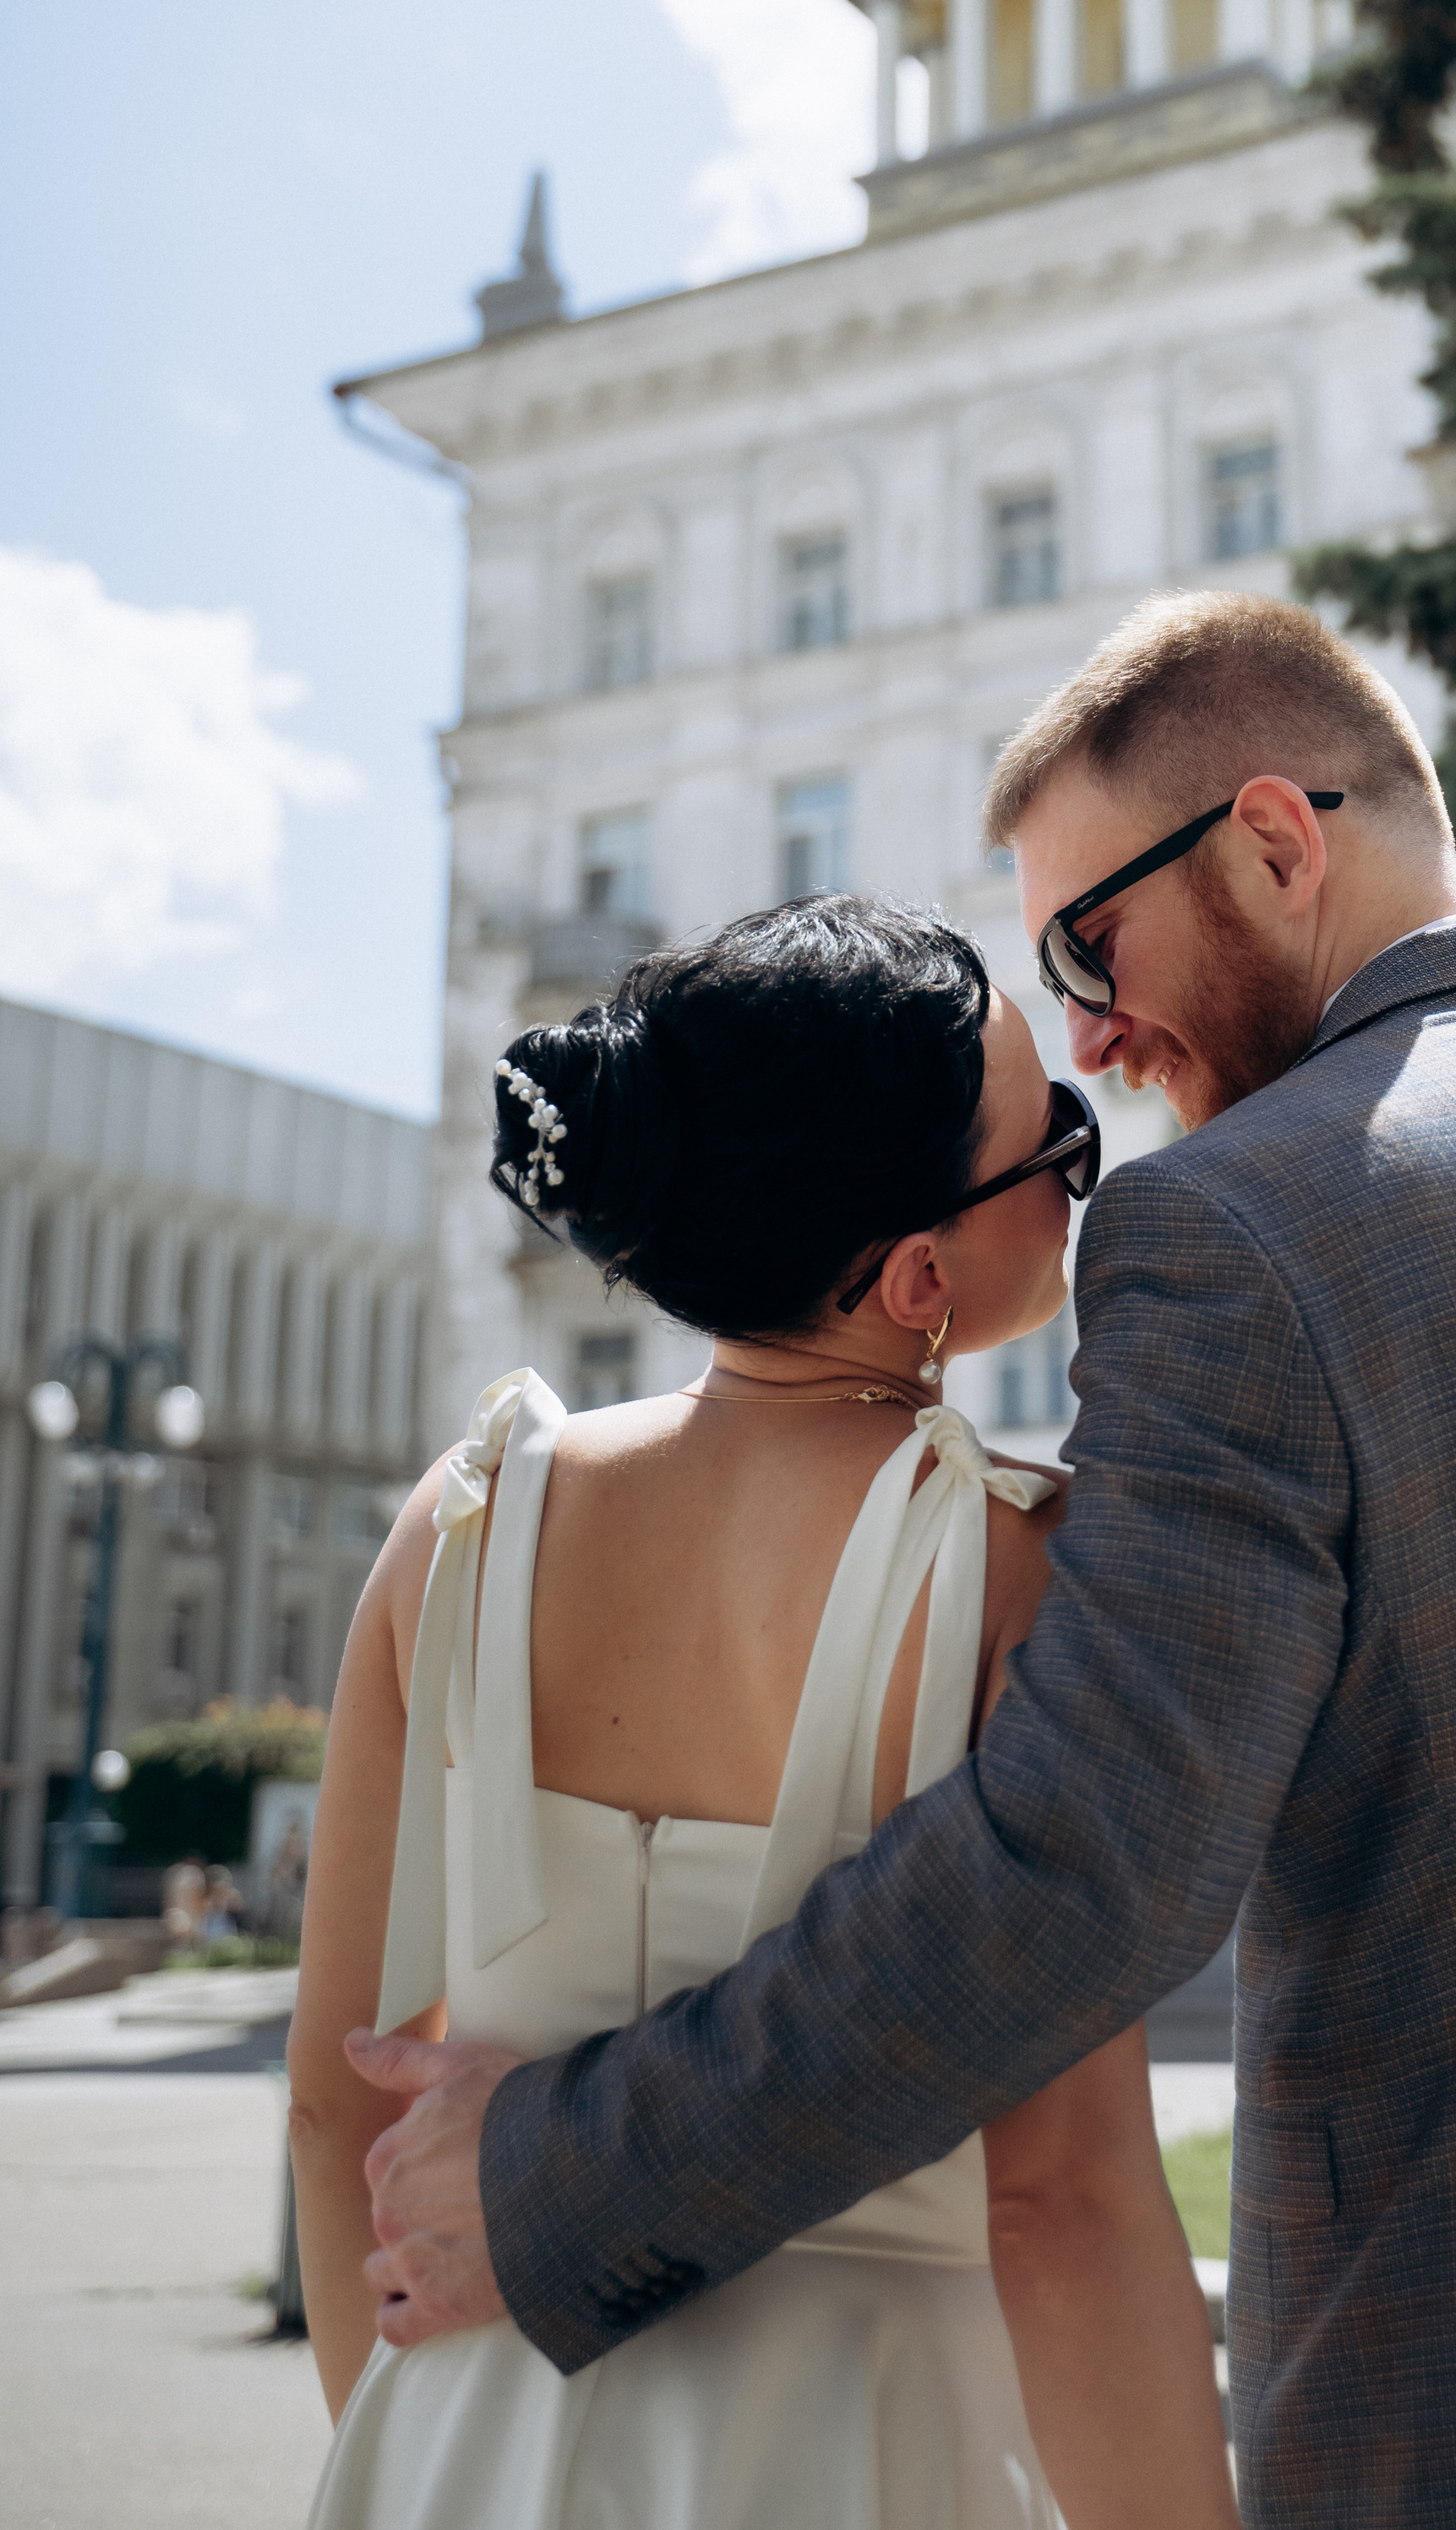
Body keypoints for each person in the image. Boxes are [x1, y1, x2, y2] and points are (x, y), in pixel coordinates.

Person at [361, 591, 1456, 2527]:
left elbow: (1084, 1869)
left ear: (1275, 840)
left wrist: (567, 2177)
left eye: (1086, 942)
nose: (1084, 1037)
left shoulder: (1236, 1232)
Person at [287, 898, 1235, 2530]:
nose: (1086, 1168)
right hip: (881, 2445)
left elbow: (339, 2094)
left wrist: (407, 2438)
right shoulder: (1019, 1562)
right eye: (1052, 1149)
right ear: (919, 1274)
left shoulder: (462, 1520)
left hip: (468, 2425)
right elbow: (1061, 2193)